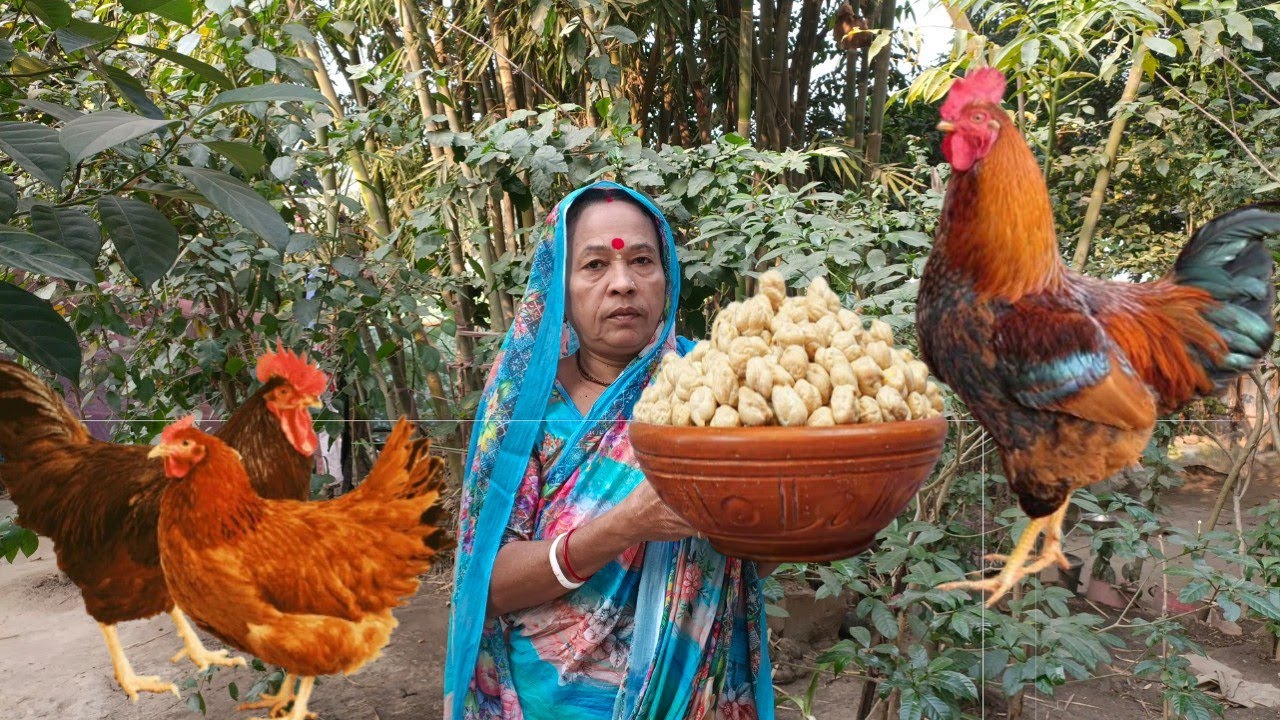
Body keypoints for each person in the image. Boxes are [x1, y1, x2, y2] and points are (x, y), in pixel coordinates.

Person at [444, 181, 775, 720]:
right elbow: (489, 584)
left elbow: (751, 558)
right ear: (561, 288)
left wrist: (812, 519)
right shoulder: (524, 406)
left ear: (667, 277)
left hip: (694, 694)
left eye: (642, 261)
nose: (623, 283)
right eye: (595, 266)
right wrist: (624, 525)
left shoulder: (721, 386)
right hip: (555, 702)